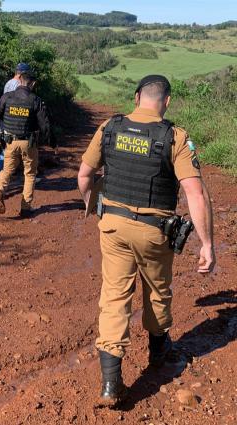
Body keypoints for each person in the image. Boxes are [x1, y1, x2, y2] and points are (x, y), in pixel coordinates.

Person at [77, 75, 216, 406]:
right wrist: (206, 244)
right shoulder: (175, 137)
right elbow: (195, 192)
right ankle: (158, 352)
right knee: (157, 289)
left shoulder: (109, 128)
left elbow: (84, 174)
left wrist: (93, 207)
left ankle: (111, 385)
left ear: (137, 97)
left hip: (112, 225)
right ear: (166, 101)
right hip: (154, 231)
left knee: (114, 296)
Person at [0, 71, 50, 218]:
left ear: (19, 81)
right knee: (30, 174)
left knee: (6, 171)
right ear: (33, 83)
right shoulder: (35, 100)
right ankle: (25, 207)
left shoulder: (7, 97)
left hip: (10, 142)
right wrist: (51, 142)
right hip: (28, 143)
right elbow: (44, 124)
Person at [0, 63, 32, 184]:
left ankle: (3, 176)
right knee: (7, 152)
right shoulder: (19, 85)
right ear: (22, 74)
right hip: (14, 123)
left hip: (5, 120)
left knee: (9, 151)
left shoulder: (8, 83)